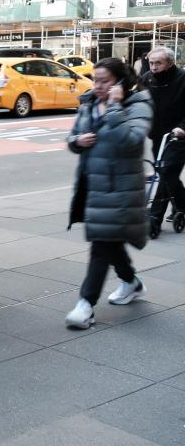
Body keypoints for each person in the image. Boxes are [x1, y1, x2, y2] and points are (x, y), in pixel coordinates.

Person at [65, 58, 153, 329]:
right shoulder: (89, 102)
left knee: (101, 244)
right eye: (95, 80)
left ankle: (85, 305)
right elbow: (73, 138)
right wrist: (77, 142)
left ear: (120, 81)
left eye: (104, 81)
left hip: (121, 188)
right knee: (109, 241)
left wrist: (114, 106)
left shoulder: (138, 104)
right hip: (93, 186)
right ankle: (132, 282)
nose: (98, 86)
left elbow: (130, 141)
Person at [139, 46, 185, 236]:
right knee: (168, 174)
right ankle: (182, 205)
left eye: (159, 63)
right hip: (159, 135)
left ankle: (154, 218)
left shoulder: (183, 78)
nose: (154, 66)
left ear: (170, 62)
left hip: (179, 136)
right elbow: (137, 100)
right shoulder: (147, 78)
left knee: (166, 172)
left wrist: (183, 127)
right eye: (151, 62)